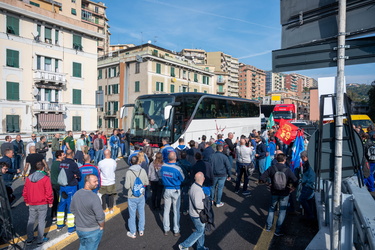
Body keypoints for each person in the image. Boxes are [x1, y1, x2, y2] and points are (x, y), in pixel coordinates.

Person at [260, 153, 298, 236]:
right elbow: (295, 180)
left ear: (276, 159)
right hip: (285, 193)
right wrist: (293, 188)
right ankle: (278, 230)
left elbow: (262, 178)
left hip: (274, 191)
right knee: (282, 211)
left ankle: (268, 227)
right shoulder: (287, 170)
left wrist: (268, 184)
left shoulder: (272, 168)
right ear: (284, 160)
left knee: (271, 209)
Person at [71, 174, 105, 250]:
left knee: (83, 246)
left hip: (80, 229)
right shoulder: (94, 197)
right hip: (92, 230)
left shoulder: (77, 194)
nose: (97, 183)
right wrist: (102, 226)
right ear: (87, 183)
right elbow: (100, 216)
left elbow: (72, 210)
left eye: (97, 181)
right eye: (95, 181)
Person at [23, 161, 53, 246]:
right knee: (41, 220)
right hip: (42, 202)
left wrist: (26, 200)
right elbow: (49, 192)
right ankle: (40, 239)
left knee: (31, 220)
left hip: (32, 202)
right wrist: (50, 201)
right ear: (43, 168)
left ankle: (29, 239)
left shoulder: (29, 178)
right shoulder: (45, 178)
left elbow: (25, 191)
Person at [178, 172, 209, 250]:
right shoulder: (198, 190)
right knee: (199, 231)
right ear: (203, 179)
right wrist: (207, 204)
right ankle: (184, 245)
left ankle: (200, 247)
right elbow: (198, 205)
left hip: (192, 212)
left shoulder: (193, 186)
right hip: (197, 215)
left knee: (201, 232)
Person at [160, 152, 185, 236]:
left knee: (166, 210)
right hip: (175, 189)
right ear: (175, 158)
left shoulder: (163, 166)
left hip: (167, 189)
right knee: (176, 210)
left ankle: (166, 229)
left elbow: (160, 176)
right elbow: (182, 178)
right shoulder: (178, 168)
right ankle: (176, 230)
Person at [125, 156, 149, 238]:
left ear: (131, 162)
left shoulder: (129, 172)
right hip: (141, 195)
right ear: (138, 161)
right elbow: (146, 182)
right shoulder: (142, 170)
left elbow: (127, 186)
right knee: (141, 213)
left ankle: (133, 232)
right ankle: (141, 230)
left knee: (132, 214)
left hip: (132, 196)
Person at [57, 150, 81, 233]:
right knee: (71, 206)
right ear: (72, 154)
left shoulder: (61, 163)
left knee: (61, 204)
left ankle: (59, 224)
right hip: (71, 186)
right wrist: (76, 176)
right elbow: (78, 174)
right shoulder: (73, 164)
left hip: (62, 186)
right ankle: (71, 227)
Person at [298, 151, 316, 220]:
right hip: (310, 184)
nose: (301, 159)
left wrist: (304, 182)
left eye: (302, 158)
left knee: (302, 199)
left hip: (308, 185)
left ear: (305, 157)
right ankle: (310, 215)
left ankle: (310, 215)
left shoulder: (309, 165)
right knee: (309, 200)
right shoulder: (310, 163)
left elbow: (311, 176)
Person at [98, 149, 117, 214]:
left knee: (103, 195)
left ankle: (104, 209)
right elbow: (114, 169)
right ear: (110, 154)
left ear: (104, 154)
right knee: (111, 195)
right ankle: (111, 208)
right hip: (111, 181)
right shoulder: (113, 161)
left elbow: (99, 170)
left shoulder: (101, 162)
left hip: (103, 181)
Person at [50, 150, 65, 223]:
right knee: (61, 201)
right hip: (58, 185)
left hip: (53, 184)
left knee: (55, 200)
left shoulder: (53, 164)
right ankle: (60, 215)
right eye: (63, 155)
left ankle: (53, 215)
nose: (64, 156)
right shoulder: (60, 164)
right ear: (59, 156)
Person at [177, 151, 192, 215]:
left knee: (177, 194)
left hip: (179, 180)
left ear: (180, 156)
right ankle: (185, 209)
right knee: (185, 195)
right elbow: (191, 172)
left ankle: (177, 207)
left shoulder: (177, 163)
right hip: (186, 180)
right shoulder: (188, 163)